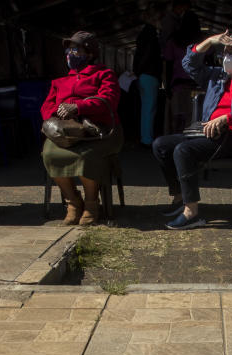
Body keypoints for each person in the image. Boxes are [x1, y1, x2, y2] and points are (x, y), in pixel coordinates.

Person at [152, 32, 232, 230]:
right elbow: (189, 64)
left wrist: (227, 118)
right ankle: (180, 196)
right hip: (207, 131)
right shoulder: (216, 75)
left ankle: (192, 213)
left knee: (183, 150)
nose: (226, 57)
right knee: (161, 145)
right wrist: (208, 42)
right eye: (224, 52)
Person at [40, 31, 122, 226]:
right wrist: (59, 113)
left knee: (85, 157)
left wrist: (79, 107)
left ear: (90, 54)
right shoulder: (59, 82)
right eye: (69, 49)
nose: (70, 53)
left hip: (98, 132)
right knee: (50, 154)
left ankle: (92, 204)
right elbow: (46, 107)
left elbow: (109, 101)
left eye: (76, 49)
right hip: (66, 133)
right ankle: (73, 202)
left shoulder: (104, 75)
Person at [161, 0, 201, 134]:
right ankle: (190, 144)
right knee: (193, 119)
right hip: (197, 87)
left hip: (178, 86)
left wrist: (167, 87)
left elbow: (168, 64)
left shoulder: (174, 40)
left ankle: (175, 144)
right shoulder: (201, 43)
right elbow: (210, 63)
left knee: (177, 119)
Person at [134, 6, 163, 146]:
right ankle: (147, 139)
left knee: (145, 108)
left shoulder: (143, 34)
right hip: (150, 75)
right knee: (149, 108)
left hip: (144, 75)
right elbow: (149, 56)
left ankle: (145, 136)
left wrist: (138, 72)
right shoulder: (151, 35)